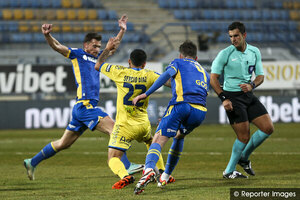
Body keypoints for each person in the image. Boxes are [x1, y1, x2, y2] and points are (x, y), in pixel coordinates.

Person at [23, 14, 143, 181]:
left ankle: (32, 162)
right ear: (86, 45)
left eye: (99, 46)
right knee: (115, 128)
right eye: (94, 46)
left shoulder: (98, 59)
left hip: (82, 109)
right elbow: (58, 46)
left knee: (63, 143)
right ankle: (127, 165)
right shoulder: (77, 55)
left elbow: (112, 47)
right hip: (85, 106)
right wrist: (47, 35)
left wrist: (121, 30)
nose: (97, 49)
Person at [94, 38, 173, 189]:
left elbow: (98, 65)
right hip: (143, 124)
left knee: (112, 157)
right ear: (144, 64)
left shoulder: (120, 72)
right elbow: (169, 82)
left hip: (125, 126)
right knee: (152, 143)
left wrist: (107, 49)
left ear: (129, 62)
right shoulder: (150, 75)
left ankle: (125, 176)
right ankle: (163, 173)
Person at [132, 40, 210, 194]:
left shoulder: (178, 62)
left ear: (181, 55)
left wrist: (145, 94)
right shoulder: (204, 71)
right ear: (196, 57)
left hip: (182, 105)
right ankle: (165, 176)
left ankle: (148, 170)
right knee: (179, 136)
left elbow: (166, 75)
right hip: (200, 112)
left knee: (158, 138)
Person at [210, 21, 274, 179]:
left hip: (248, 96)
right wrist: (223, 98)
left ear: (244, 35)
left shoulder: (254, 51)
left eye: (236, 36)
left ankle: (244, 159)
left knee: (268, 128)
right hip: (232, 98)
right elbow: (213, 79)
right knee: (244, 137)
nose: (233, 39)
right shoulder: (225, 53)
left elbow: (260, 76)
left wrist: (252, 85)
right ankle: (229, 171)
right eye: (231, 36)